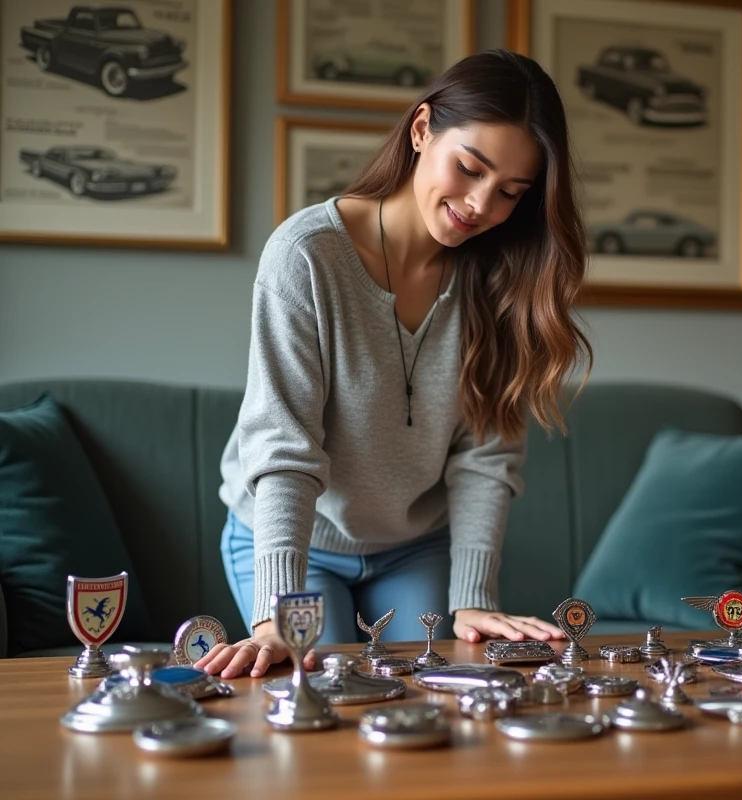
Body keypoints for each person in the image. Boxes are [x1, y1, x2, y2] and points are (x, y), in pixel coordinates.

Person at [196, 49, 592, 680]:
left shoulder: (503, 278)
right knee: (319, 691)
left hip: (414, 547)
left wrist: (473, 597)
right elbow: (283, 446)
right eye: (469, 168)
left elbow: (486, 456)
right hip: (304, 544)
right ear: (421, 129)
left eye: (509, 193)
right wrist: (276, 612)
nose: (480, 205)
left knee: (439, 692)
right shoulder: (306, 256)